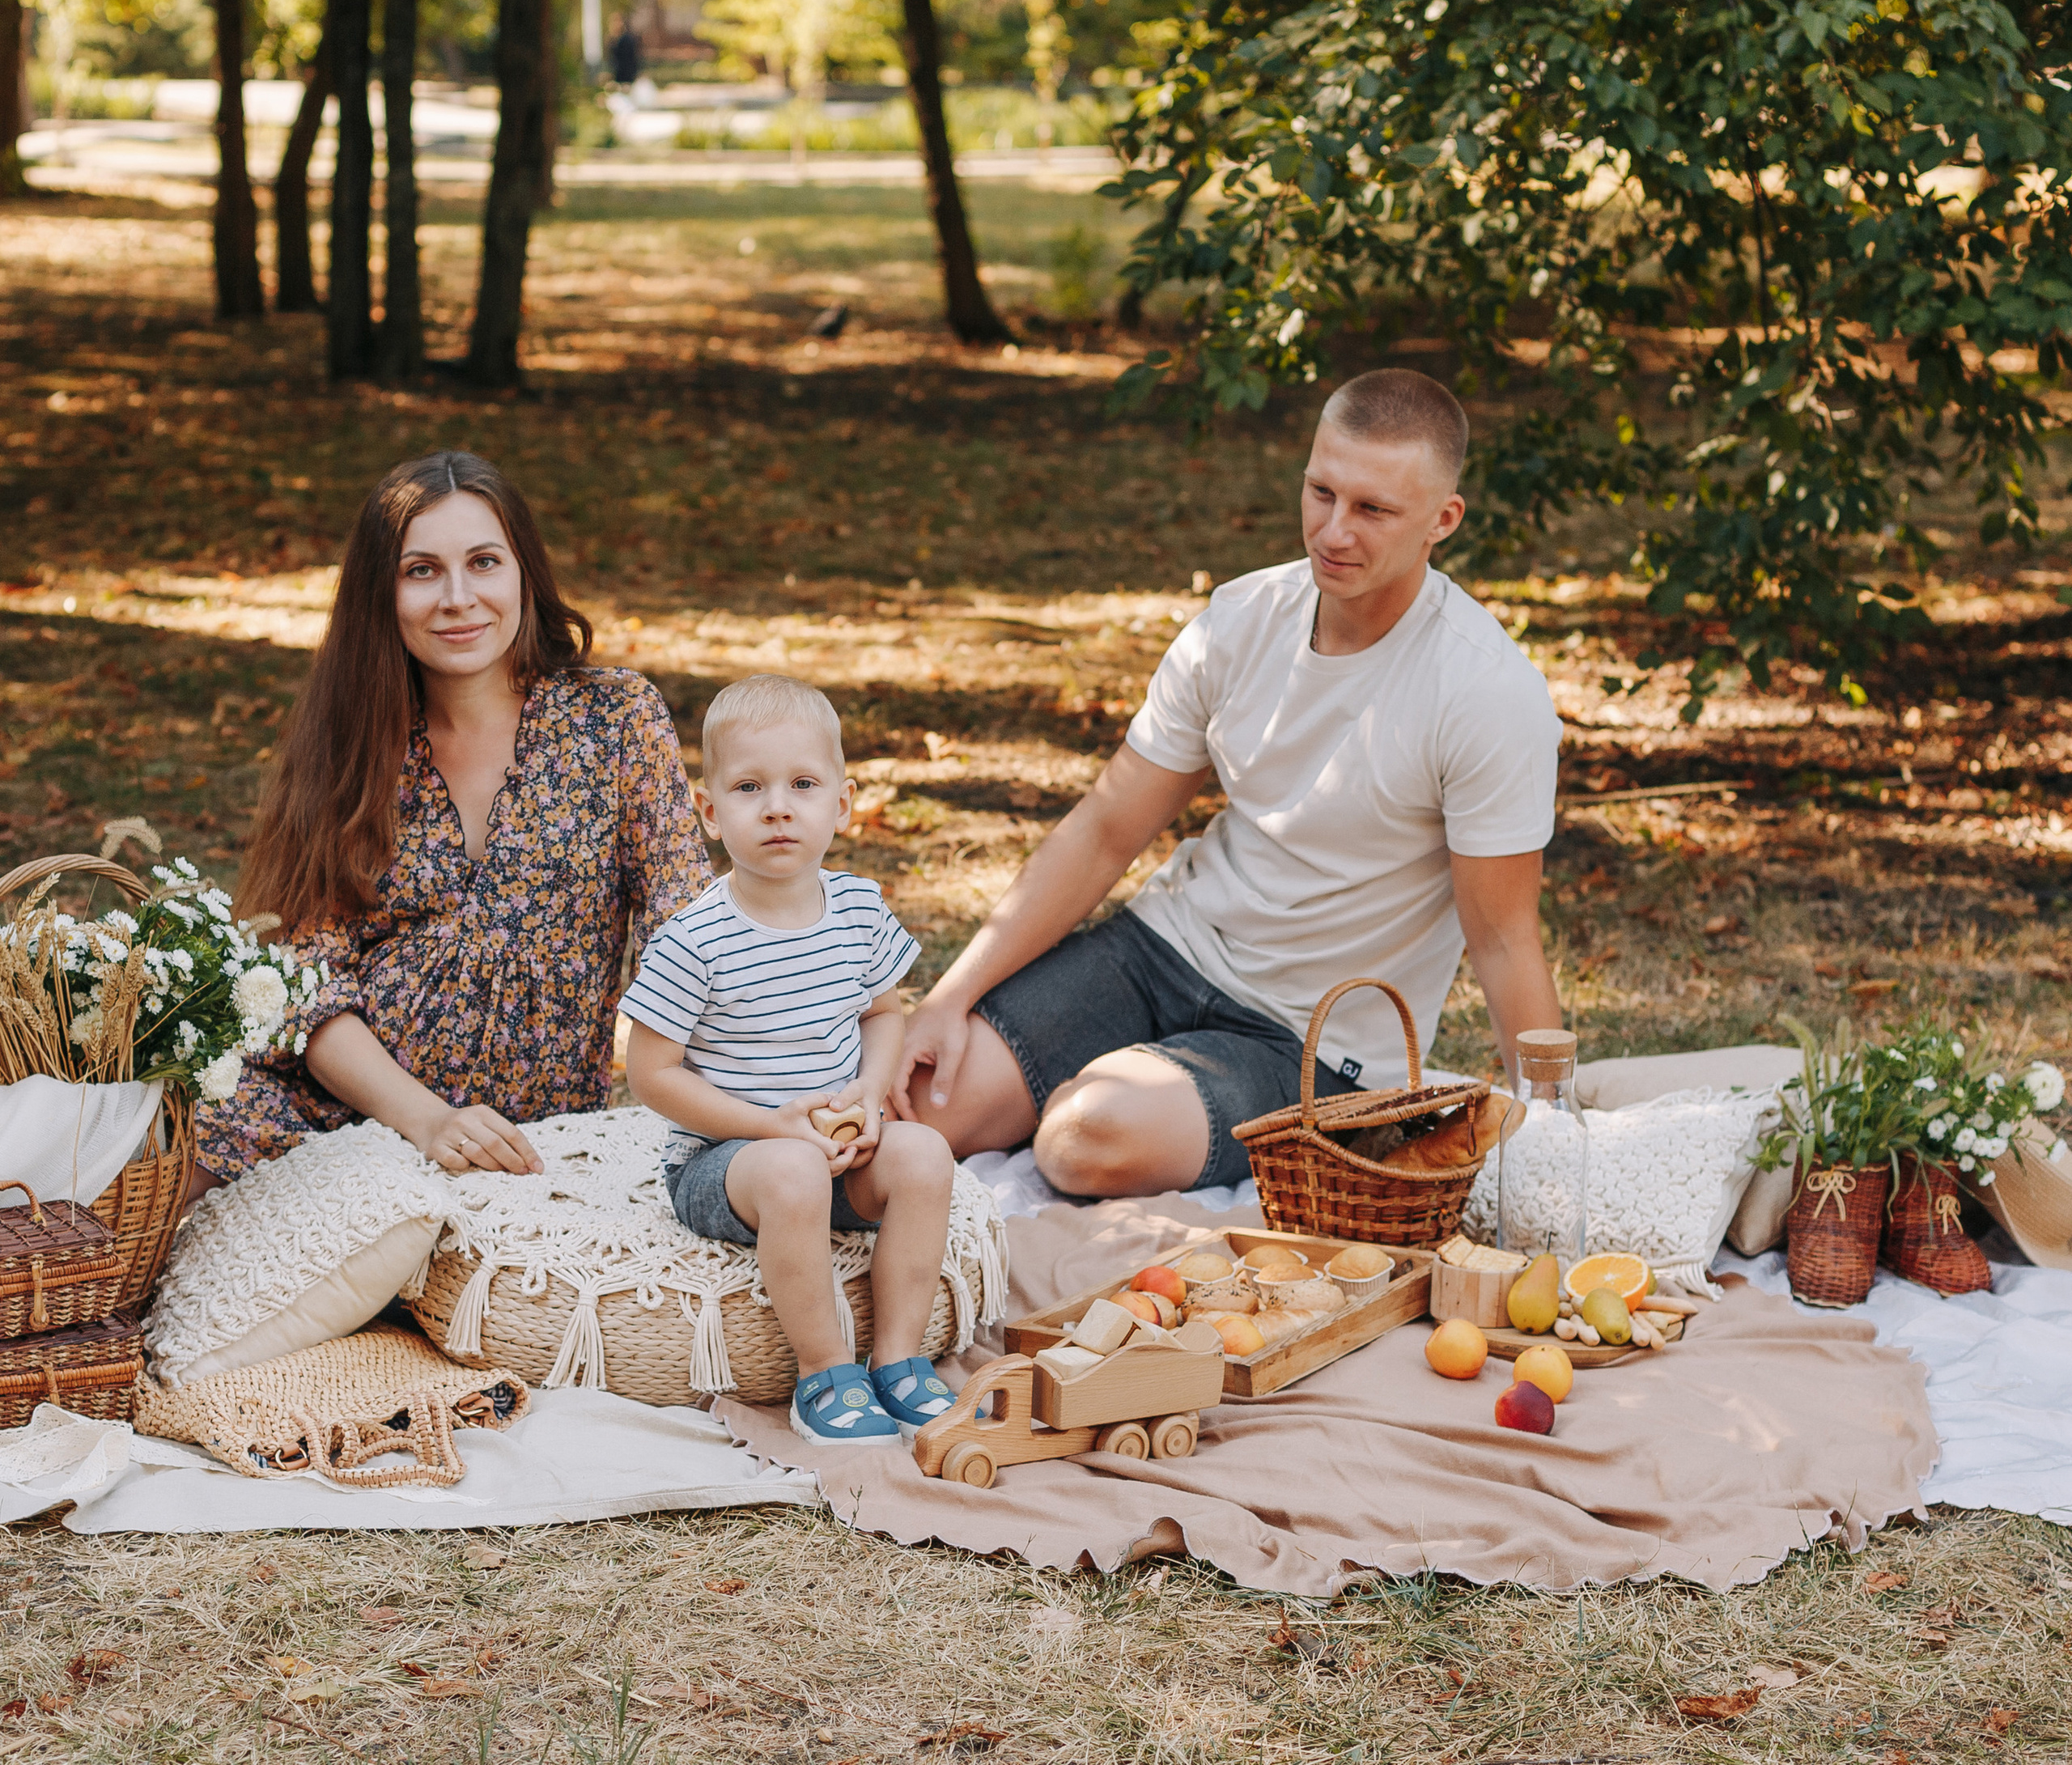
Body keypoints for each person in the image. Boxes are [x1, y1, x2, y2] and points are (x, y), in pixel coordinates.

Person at [892, 367, 1565, 1199]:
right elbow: (1107, 827)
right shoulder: (1241, 620)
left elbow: (1503, 940)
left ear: (1443, 520)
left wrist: (1556, 1143)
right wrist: (952, 996)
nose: (1332, 530)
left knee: (1080, 1140)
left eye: (1372, 510)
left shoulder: (1485, 693)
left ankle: (1133, 1088)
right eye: (1320, 492)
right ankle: (1124, 1077)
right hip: (1164, 949)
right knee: (919, 1102)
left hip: (1313, 1041)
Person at [196, 450, 711, 1190]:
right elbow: (305, 984)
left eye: (483, 562)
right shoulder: (354, 743)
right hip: (342, 1106)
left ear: (524, 573)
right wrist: (427, 1120)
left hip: (526, 1136)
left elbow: (687, 934)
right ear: (383, 593)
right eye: (421, 571)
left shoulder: (615, 719)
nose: (459, 597)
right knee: (137, 1177)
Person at [622, 675, 956, 1449]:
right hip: (729, 1165)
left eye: (803, 784)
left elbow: (882, 1013)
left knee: (927, 1155)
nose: (778, 806)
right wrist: (771, 1128)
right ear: (710, 813)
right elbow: (652, 1075)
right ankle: (825, 1372)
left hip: (837, 1146)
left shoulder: (859, 910)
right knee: (793, 1172)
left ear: (841, 806)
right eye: (749, 787)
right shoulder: (693, 939)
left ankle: (899, 1358)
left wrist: (872, 1096)